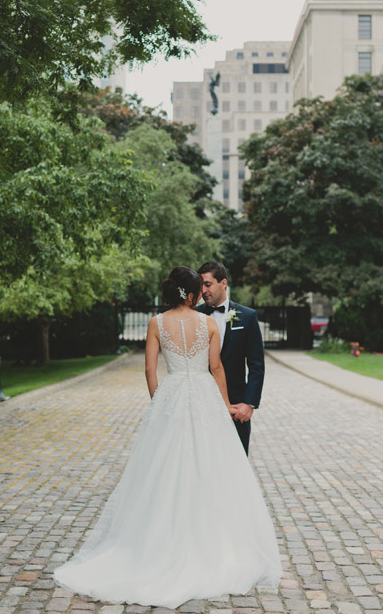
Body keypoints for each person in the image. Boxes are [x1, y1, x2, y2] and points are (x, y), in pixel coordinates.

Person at [53, 267, 282, 607]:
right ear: (191, 293)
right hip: (205, 395)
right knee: (212, 468)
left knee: (162, 471)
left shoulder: (156, 323)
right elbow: (216, 368)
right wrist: (221, 408)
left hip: (171, 396)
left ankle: (156, 544)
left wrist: (160, 403)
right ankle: (215, 544)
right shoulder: (206, 323)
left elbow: (149, 369)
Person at [196, 260, 266, 454]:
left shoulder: (247, 316)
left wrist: (249, 403)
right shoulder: (194, 316)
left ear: (223, 283)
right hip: (201, 404)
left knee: (237, 464)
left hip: (236, 407)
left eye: (207, 284)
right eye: (200, 286)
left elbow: (256, 365)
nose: (203, 290)